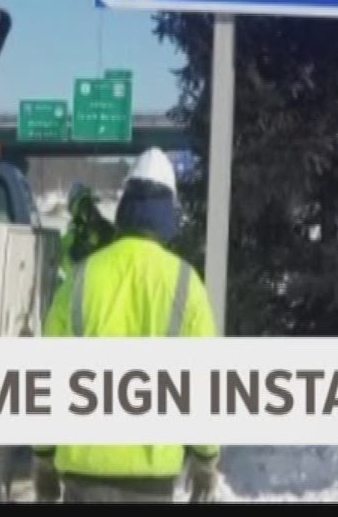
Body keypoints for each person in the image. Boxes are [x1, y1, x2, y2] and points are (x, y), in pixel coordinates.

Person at [52, 149, 222, 503]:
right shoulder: (185, 283)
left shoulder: (83, 275)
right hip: (151, 478)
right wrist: (206, 458)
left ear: (125, 207)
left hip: (84, 473)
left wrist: (41, 456)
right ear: (168, 213)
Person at [32, 184, 119, 502]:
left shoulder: (101, 232)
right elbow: (70, 264)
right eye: (82, 206)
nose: (86, 210)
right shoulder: (78, 237)